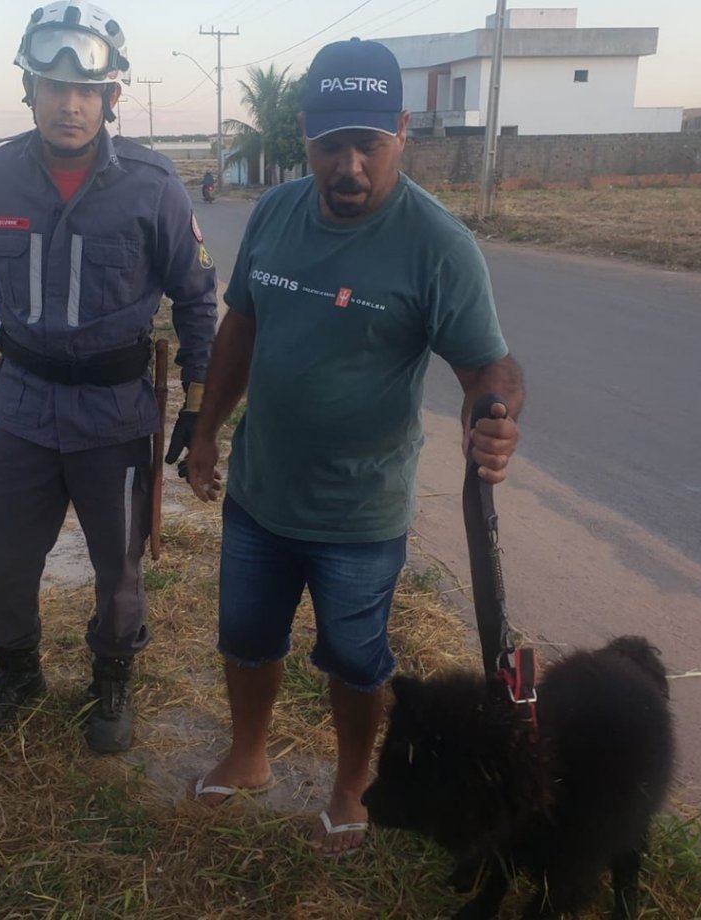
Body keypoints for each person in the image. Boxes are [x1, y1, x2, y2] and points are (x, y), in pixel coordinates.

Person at [182, 37, 524, 855]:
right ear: (302, 134)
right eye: (331, 144)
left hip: (361, 513)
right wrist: (203, 431)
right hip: (261, 495)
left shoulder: (438, 245)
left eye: (368, 145)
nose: (349, 167)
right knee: (246, 637)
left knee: (354, 659)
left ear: (401, 130)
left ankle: (349, 784)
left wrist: (497, 415)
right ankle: (251, 753)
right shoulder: (274, 210)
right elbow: (242, 324)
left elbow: (486, 364)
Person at [0, 0, 217, 753]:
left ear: (112, 97)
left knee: (119, 570)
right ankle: (18, 668)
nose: (70, 103)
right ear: (28, 89)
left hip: (114, 416)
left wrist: (197, 405)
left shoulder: (154, 186)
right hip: (24, 408)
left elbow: (197, 300)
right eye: (52, 86)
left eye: (87, 91)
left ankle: (112, 678)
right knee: (4, 563)